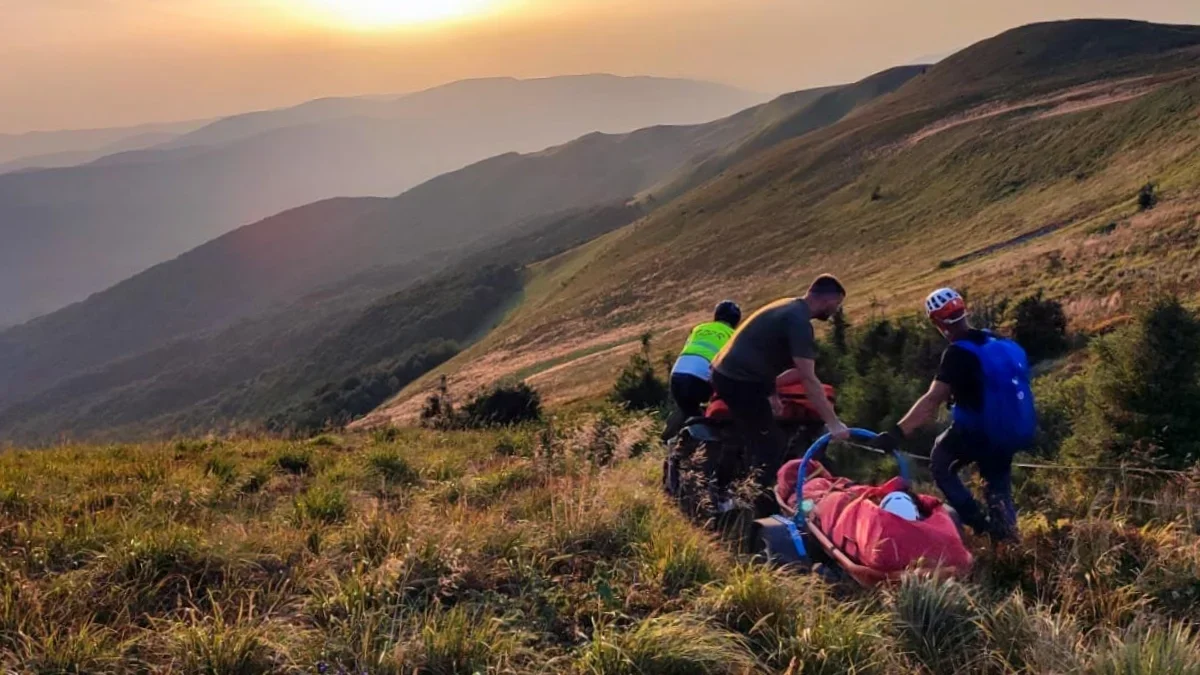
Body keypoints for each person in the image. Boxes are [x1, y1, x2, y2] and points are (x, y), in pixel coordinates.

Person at [871, 288, 1036, 542]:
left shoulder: (957, 353)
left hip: (977, 431)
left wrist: (897, 433)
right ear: (963, 310)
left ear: (936, 322)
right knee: (998, 488)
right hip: (1011, 430)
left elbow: (931, 400)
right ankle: (1010, 543)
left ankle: (979, 523)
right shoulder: (996, 340)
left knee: (940, 461)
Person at [709, 274, 849, 514]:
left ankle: (729, 490)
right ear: (828, 299)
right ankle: (750, 508)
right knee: (771, 446)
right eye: (837, 304)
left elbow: (767, 358)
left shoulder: (788, 307)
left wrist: (772, 393)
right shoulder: (798, 322)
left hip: (732, 374)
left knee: (757, 436)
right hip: (739, 381)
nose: (836, 310)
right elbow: (809, 379)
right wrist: (833, 423)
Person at [661, 300, 742, 443]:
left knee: (688, 410)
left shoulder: (699, 328)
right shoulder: (733, 335)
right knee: (725, 409)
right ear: (736, 321)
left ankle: (672, 440)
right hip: (701, 380)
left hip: (677, 377)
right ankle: (711, 445)